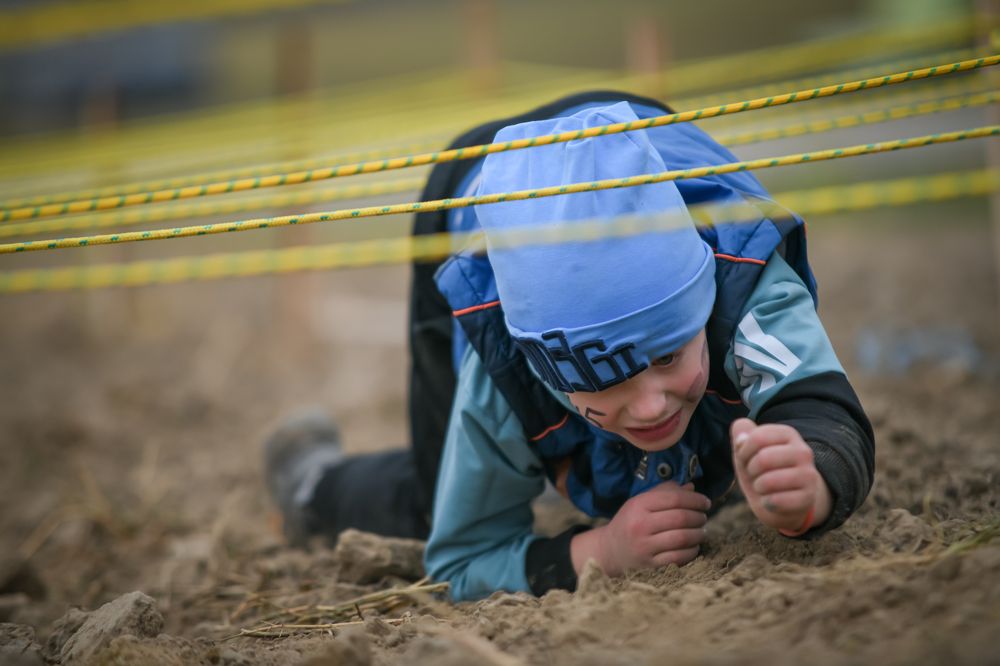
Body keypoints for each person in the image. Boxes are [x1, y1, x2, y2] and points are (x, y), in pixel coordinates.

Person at [264, 92, 875, 602]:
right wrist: (601, 552)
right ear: (542, 369)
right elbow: (461, 555)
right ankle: (311, 486)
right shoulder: (500, 362)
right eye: (603, 383)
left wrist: (812, 480)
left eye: (666, 356)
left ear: (704, 304)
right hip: (463, 192)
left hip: (637, 130)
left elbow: (820, 408)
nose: (649, 406)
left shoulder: (745, 279)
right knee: (433, 502)